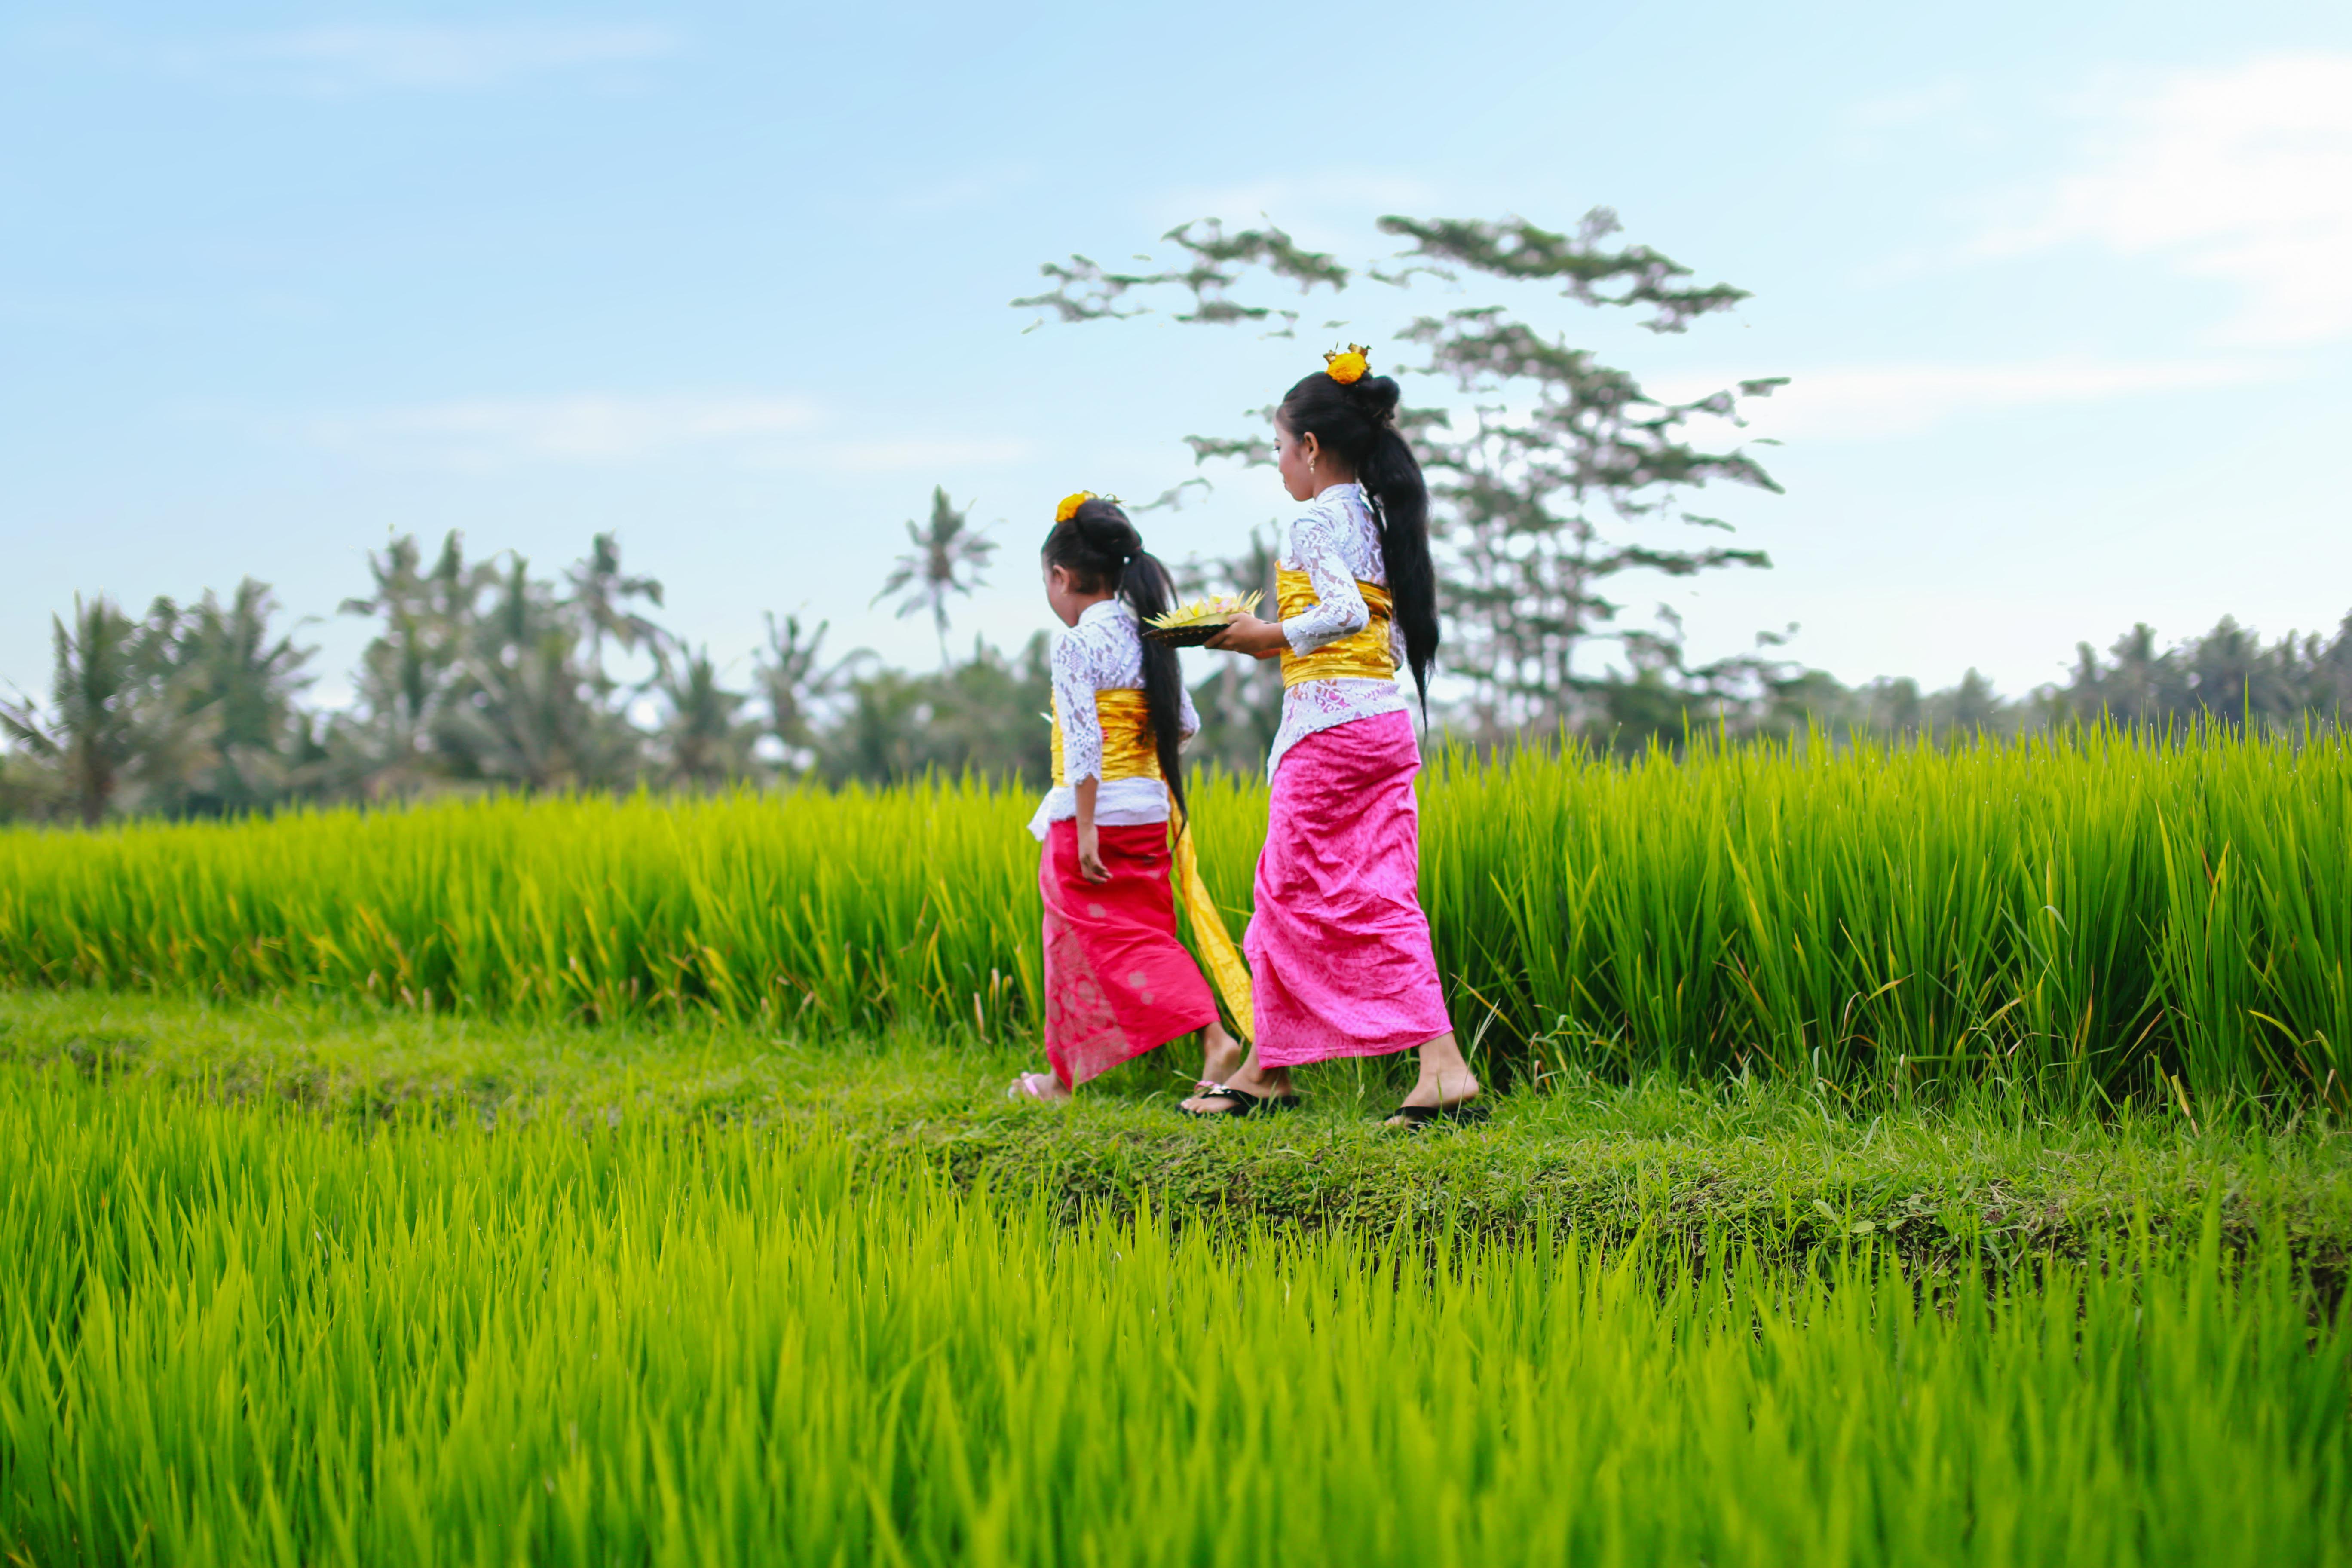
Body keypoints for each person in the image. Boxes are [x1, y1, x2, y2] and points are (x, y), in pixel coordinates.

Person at [1180, 347, 1484, 1126]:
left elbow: (1346, 613)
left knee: (1288, 893)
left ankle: (1434, 1066)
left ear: (1311, 449)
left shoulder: (1315, 516)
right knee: (1367, 894)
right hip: (1383, 724)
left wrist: (1262, 636)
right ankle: (1269, 1068)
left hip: (1332, 730)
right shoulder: (1376, 517)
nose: (1281, 466)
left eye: (1281, 449)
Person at [1008, 491, 1254, 1103]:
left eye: (1047, 581)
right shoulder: (1150, 634)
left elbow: (1085, 745)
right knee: (1145, 935)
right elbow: (1185, 723)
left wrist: (1088, 829)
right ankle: (1206, 1040)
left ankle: (1068, 1080)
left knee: (1076, 944)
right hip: (1148, 810)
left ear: (1062, 578)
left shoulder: (1076, 645)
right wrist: (1137, 757)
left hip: (1093, 816)